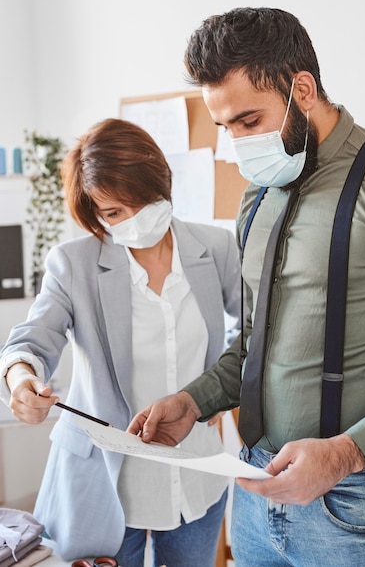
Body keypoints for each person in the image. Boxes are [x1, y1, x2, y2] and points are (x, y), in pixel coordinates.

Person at [127, 7, 365, 567]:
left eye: (250, 120)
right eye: (225, 127)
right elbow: (255, 342)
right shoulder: (257, 197)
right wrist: (194, 400)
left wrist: (347, 454)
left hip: (359, 503)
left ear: (302, 89)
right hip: (256, 491)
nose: (239, 142)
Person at [0, 118, 242, 566]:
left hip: (196, 476)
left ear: (161, 182)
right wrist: (21, 381)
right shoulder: (72, 264)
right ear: (94, 214)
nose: (130, 220)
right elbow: (32, 341)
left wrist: (218, 393)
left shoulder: (216, 248)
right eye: (112, 213)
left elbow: (249, 330)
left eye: (138, 202)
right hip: (104, 488)